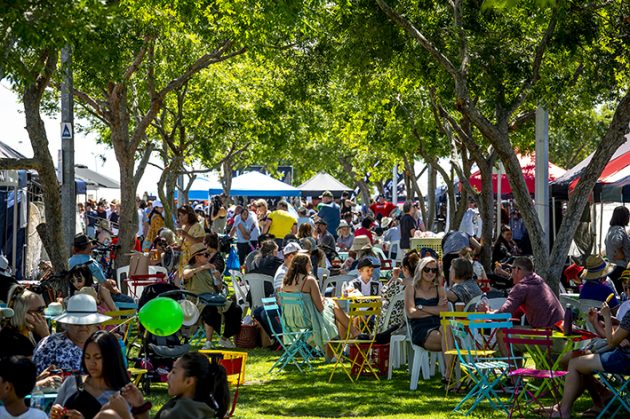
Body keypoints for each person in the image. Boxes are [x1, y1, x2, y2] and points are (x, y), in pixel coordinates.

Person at [542, 304, 630, 418]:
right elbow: (613, 334)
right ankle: (596, 399)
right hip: (616, 351)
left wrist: (607, 317)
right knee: (570, 359)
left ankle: (564, 410)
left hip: (623, 358)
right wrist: (596, 321)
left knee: (574, 362)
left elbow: (612, 341)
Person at [104, 352, 229, 419]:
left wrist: (124, 413)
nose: (168, 375)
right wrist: (140, 405)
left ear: (189, 381)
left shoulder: (183, 412)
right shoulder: (192, 406)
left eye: (174, 372)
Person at [281, 253, 351, 359]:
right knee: (330, 311)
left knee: (331, 306)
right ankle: (350, 335)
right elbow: (320, 307)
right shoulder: (309, 280)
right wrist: (324, 301)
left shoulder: (286, 281)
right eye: (309, 263)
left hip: (290, 321)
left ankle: (350, 335)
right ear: (304, 265)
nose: (311, 266)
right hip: (307, 320)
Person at [50, 331, 130, 419]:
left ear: (111, 358)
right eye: (87, 357)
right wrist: (56, 414)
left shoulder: (119, 396)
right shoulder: (72, 382)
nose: (91, 363)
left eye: (98, 357)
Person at [182, 242, 241, 350]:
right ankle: (208, 342)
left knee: (236, 309)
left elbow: (218, 288)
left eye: (208, 255)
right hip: (197, 300)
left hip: (213, 298)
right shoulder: (189, 267)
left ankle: (225, 337)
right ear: (197, 257)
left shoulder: (210, 269)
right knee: (210, 309)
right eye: (205, 255)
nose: (208, 257)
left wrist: (218, 279)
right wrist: (202, 267)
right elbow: (186, 275)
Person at [32, 294, 111, 374]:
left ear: (95, 323)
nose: (83, 327)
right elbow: (36, 379)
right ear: (67, 323)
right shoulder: (50, 345)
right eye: (77, 323)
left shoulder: (104, 344)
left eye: (88, 323)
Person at [486, 256, 564, 329]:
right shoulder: (538, 282)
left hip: (548, 333)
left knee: (502, 333)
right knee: (509, 331)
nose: (510, 273)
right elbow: (516, 312)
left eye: (511, 268)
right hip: (562, 330)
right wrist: (495, 312)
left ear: (517, 269)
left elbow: (502, 315)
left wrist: (487, 313)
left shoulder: (521, 287)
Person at [0, 285, 49, 359]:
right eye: (40, 310)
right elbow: (45, 361)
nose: (43, 314)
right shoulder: (13, 340)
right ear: (23, 313)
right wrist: (46, 336)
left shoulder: (31, 331)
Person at [378, 250, 419, 333]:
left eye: (402, 267)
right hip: (412, 322)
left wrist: (394, 277)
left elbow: (383, 294)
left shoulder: (399, 283)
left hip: (394, 323)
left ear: (406, 269)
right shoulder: (421, 284)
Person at [604, 205, 630, 292]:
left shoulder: (611, 229)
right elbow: (616, 240)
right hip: (620, 267)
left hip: (613, 267)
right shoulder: (619, 229)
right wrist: (620, 252)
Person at [176, 205, 206, 274]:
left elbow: (199, 241)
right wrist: (176, 247)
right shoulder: (183, 226)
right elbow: (182, 244)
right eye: (179, 216)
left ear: (189, 215)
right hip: (183, 259)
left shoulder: (197, 226)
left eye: (182, 215)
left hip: (192, 260)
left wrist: (186, 235)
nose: (180, 218)